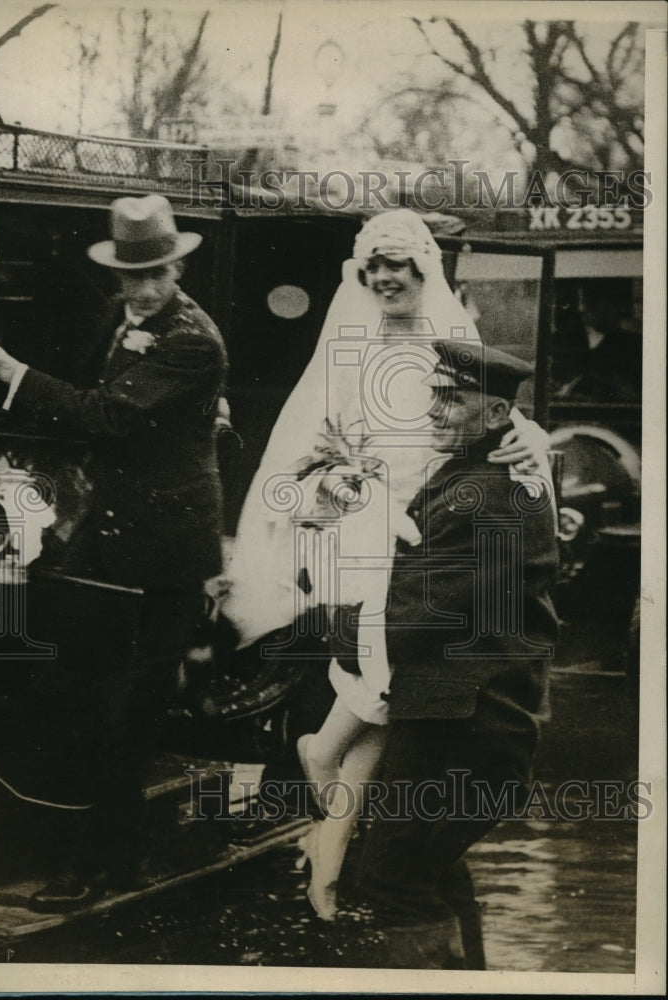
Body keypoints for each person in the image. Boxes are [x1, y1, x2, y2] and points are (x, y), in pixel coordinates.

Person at [221, 209, 552, 921]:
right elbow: (306, 448)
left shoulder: (451, 344)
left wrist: (533, 447)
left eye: (395, 266)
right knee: (377, 691)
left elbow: (501, 417)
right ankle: (339, 846)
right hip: (363, 536)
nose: (383, 279)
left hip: (435, 536)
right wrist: (328, 491)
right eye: (371, 268)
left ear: (422, 268)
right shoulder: (349, 346)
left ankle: (335, 845)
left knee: (389, 696)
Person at [0, 194, 228, 911]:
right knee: (83, 699)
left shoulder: (193, 342)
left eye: (156, 275)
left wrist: (8, 370)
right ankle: (99, 858)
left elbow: (104, 415)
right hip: (108, 535)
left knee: (124, 713)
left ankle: (96, 868)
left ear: (178, 269)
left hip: (162, 554)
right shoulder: (118, 318)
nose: (142, 290)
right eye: (131, 277)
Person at [343, 338, 559, 969]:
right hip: (463, 719)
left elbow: (415, 616)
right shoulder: (476, 473)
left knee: (390, 878)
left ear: (496, 415)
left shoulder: (490, 495)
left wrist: (318, 626)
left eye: (453, 399)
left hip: (467, 727)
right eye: (434, 394)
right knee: (429, 870)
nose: (435, 410)